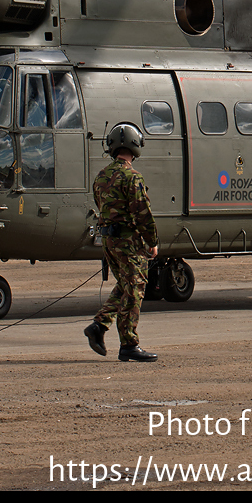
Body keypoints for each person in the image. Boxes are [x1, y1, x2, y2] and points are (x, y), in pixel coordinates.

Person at [84, 122, 160, 362]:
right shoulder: (132, 177)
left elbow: (101, 206)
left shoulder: (101, 176)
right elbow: (142, 213)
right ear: (135, 145)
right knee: (135, 288)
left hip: (109, 241)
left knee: (126, 285)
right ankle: (128, 343)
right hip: (128, 242)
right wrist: (152, 241)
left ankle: (99, 325)